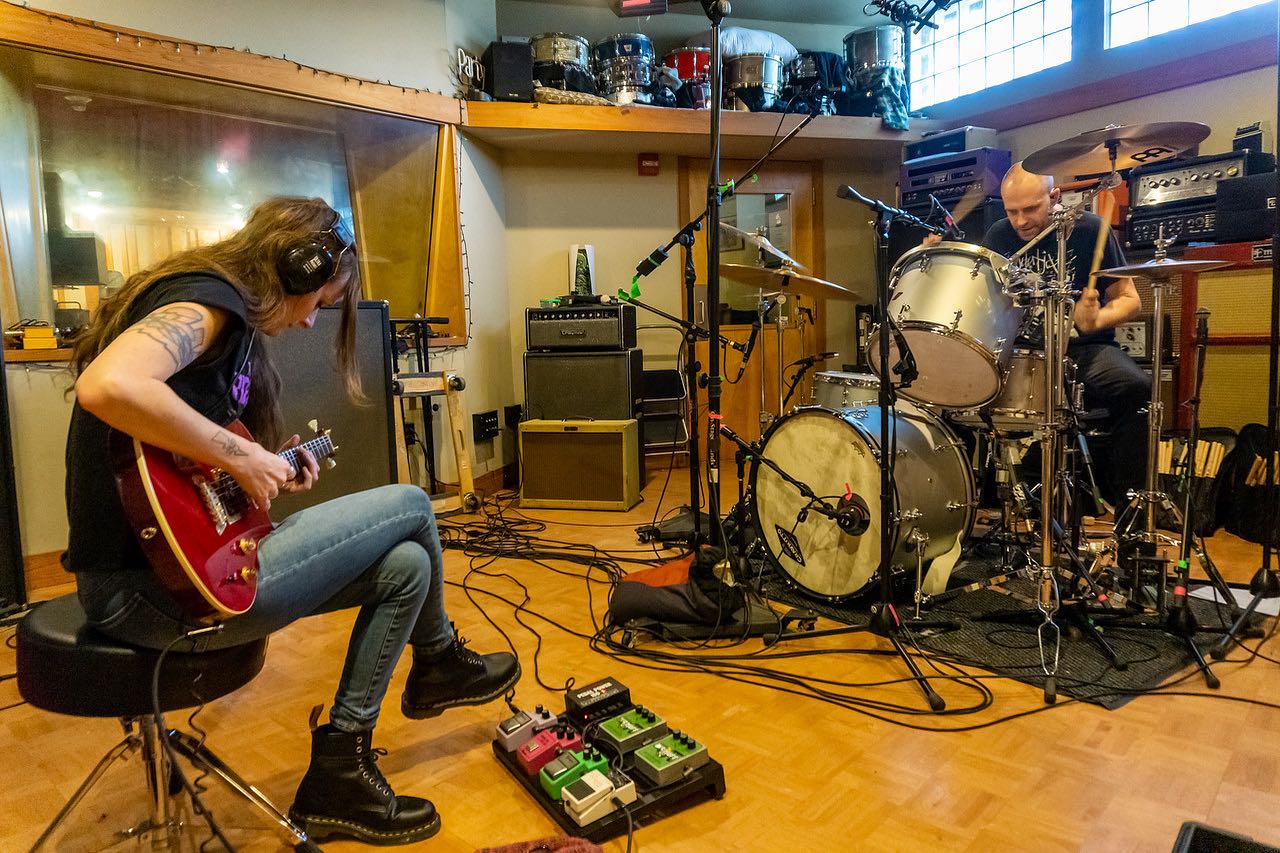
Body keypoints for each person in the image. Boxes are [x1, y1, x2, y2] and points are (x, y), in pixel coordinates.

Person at [64, 196, 520, 845]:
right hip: (149, 596)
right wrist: (244, 454)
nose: (312, 321)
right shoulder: (207, 303)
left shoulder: (226, 318)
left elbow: (184, 477)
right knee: (414, 505)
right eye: (320, 300)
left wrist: (253, 476)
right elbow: (109, 386)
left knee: (408, 565)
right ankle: (440, 657)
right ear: (298, 271)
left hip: (174, 575)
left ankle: (340, 768)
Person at [929, 162, 1150, 505]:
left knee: (1136, 389)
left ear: (1055, 197)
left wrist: (1098, 319)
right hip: (1017, 352)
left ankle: (1128, 507)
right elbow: (983, 303)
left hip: (1084, 350)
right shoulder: (999, 236)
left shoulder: (1091, 230)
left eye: (1030, 209)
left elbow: (1130, 300)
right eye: (1012, 211)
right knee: (949, 394)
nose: (1020, 221)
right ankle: (968, 506)